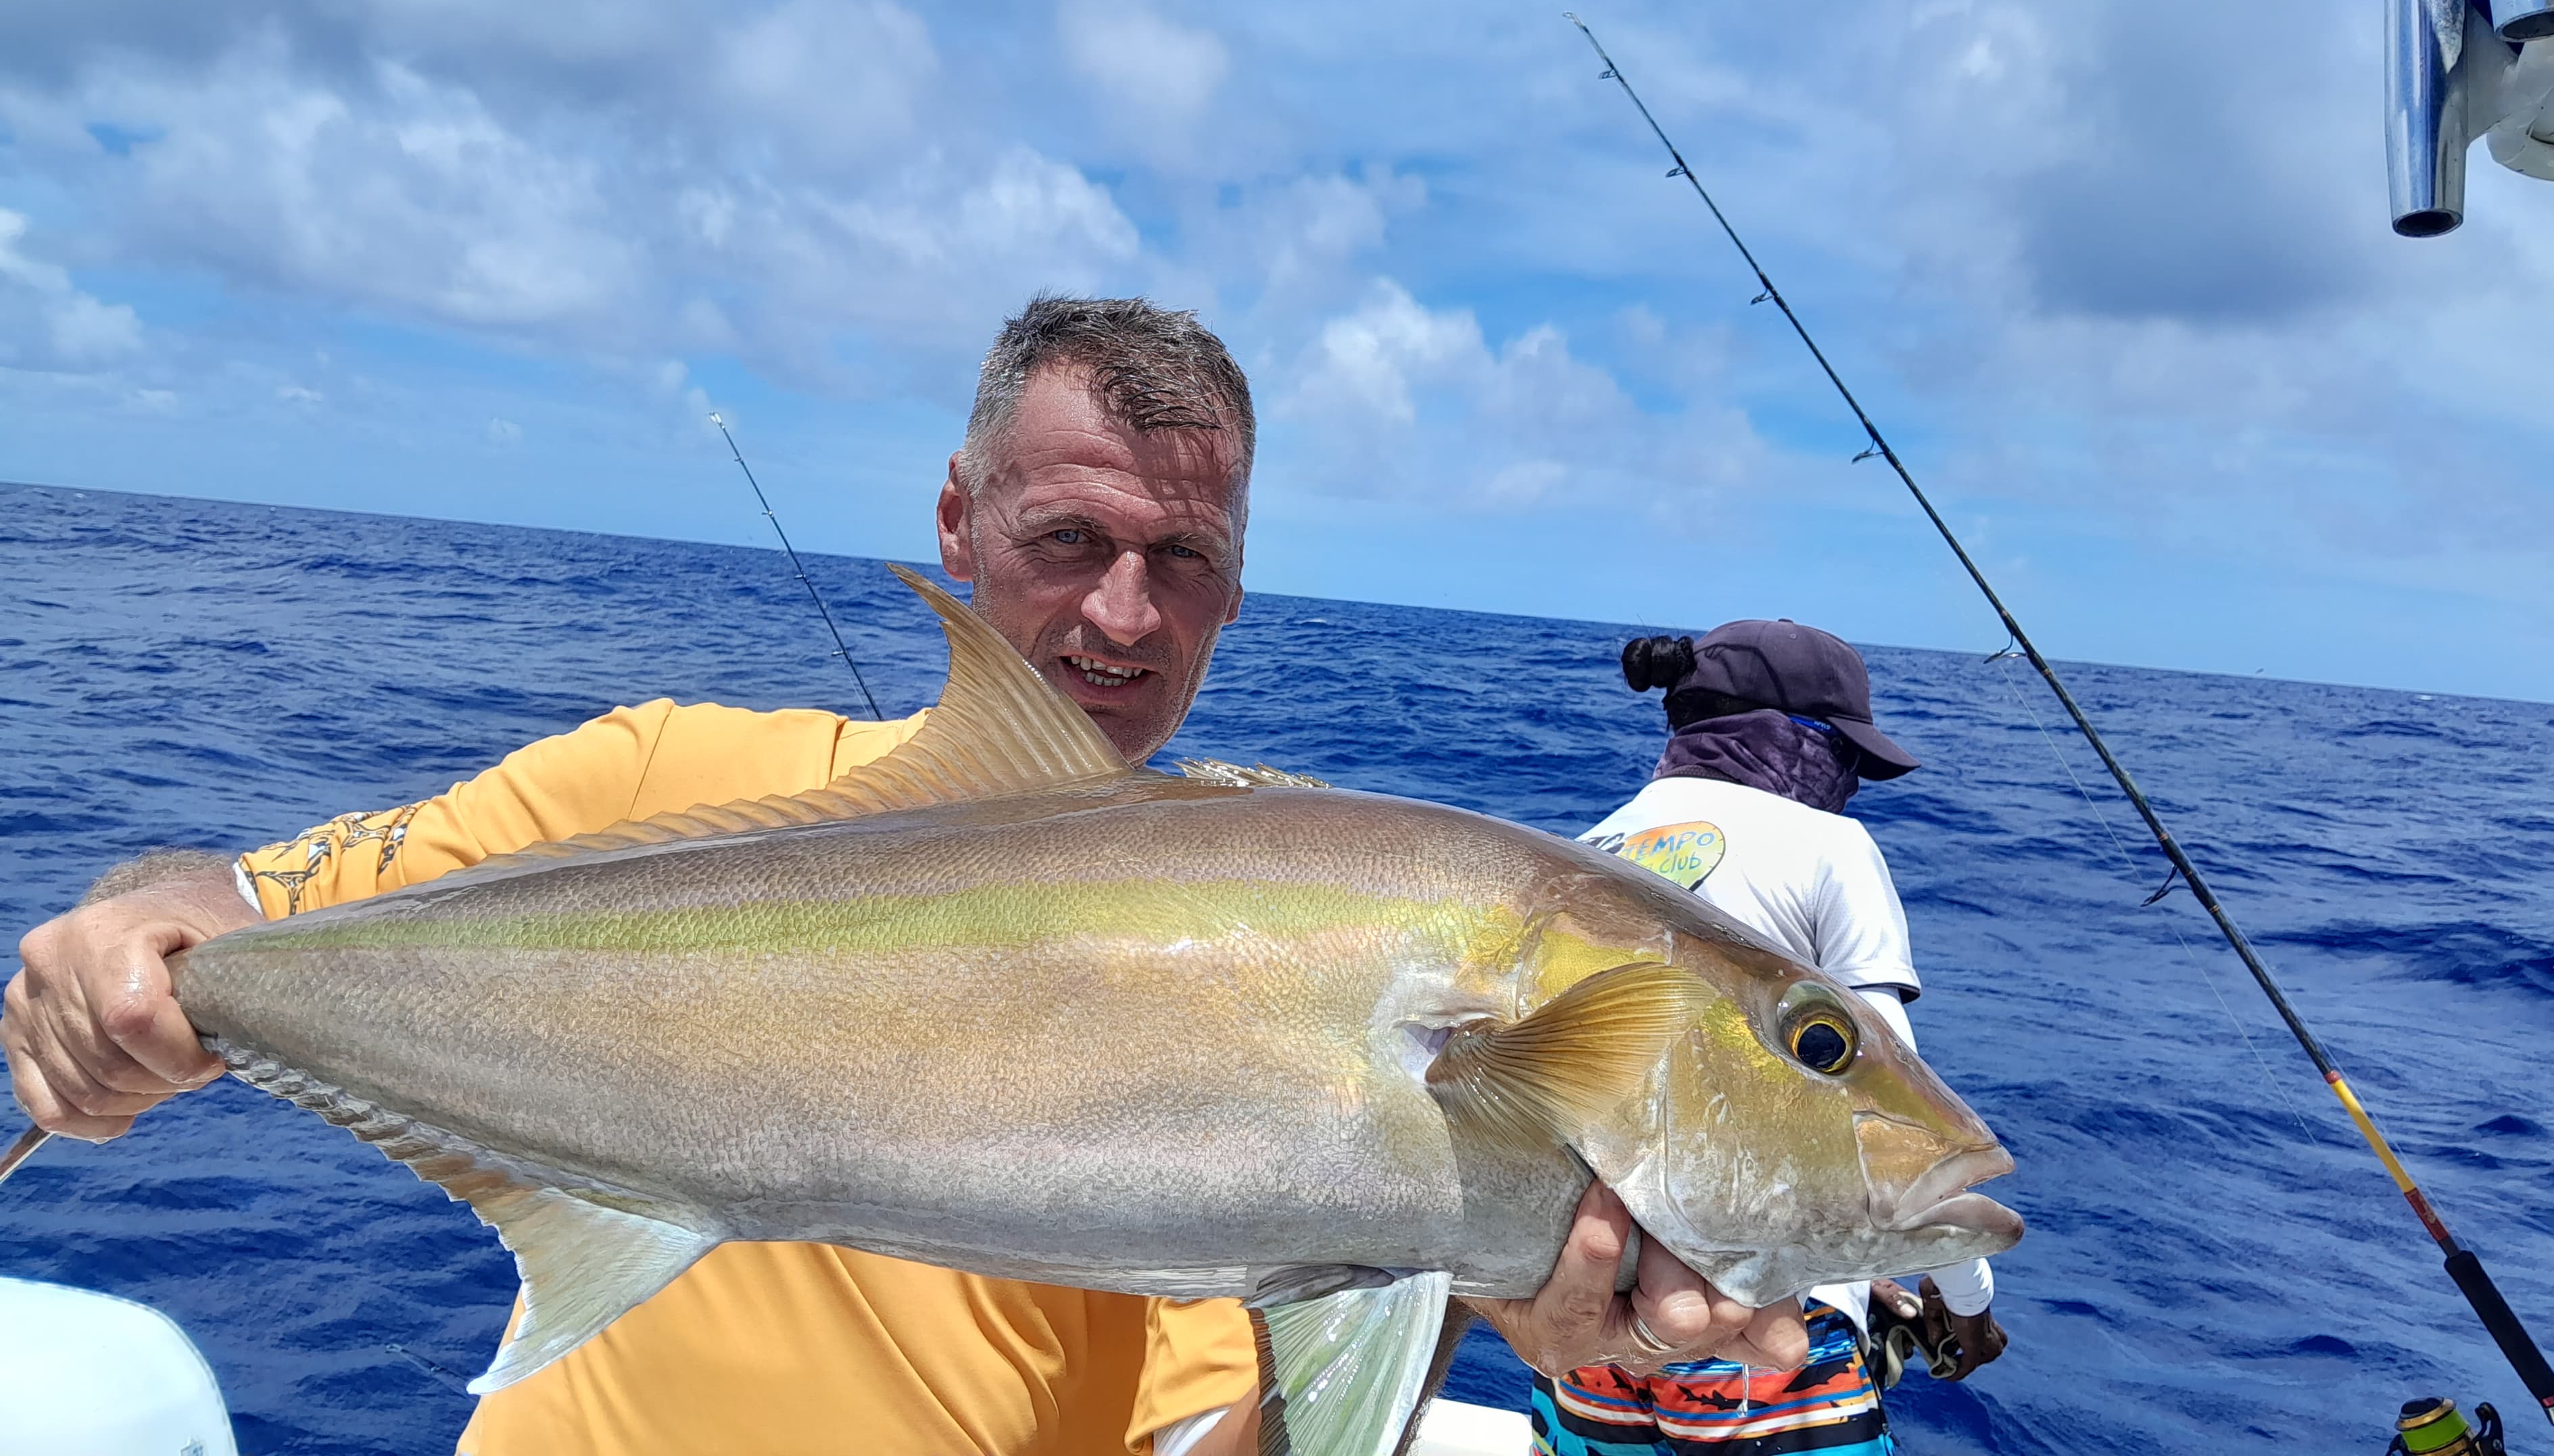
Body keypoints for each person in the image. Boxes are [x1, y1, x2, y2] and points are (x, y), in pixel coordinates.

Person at [3, 296, 1807, 1456]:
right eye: (1067, 538)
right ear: (958, 524)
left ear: (1240, 581)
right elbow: (238, 910)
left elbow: (1227, 1440)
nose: (1123, 613)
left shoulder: (1294, 951)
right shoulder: (660, 772)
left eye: (1185, 557)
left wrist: (1476, 1284)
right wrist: (137, 945)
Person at [1537, 622, 2011, 1455]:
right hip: (1765, 1325)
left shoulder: (1587, 850)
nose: (1850, 782)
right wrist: (1967, 1302)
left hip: (1589, 1325)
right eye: (1847, 754)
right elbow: (1889, 1125)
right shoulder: (1831, 844)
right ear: (1805, 737)